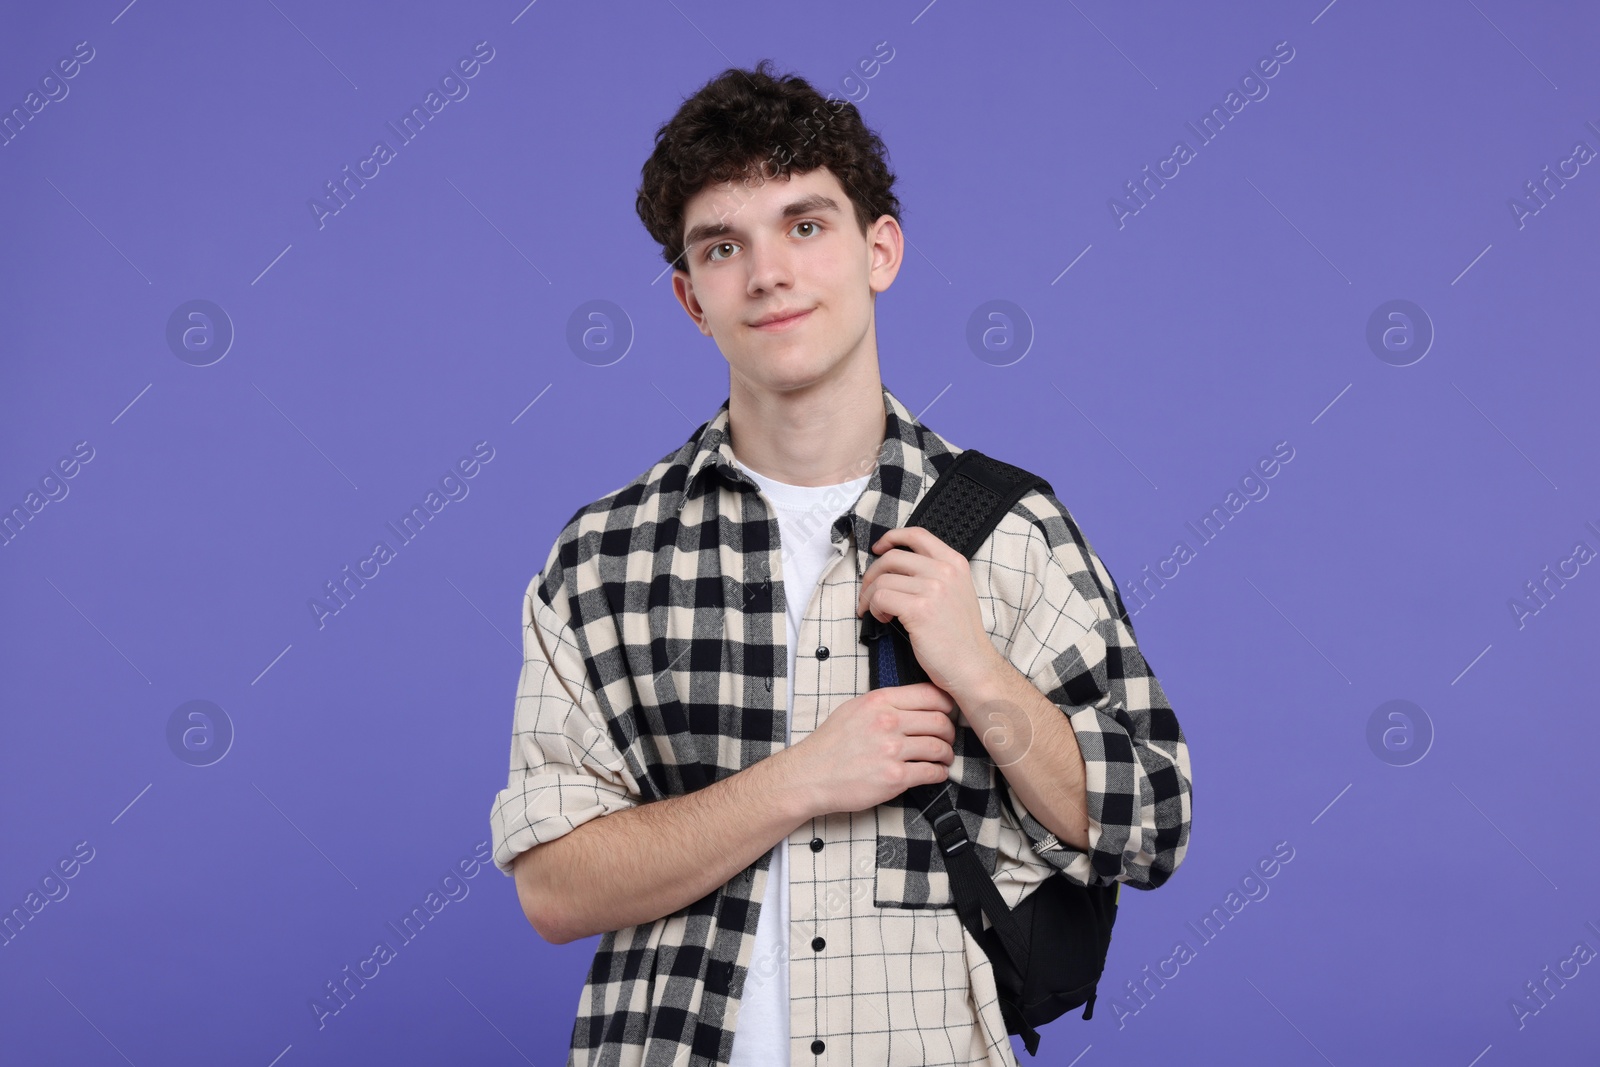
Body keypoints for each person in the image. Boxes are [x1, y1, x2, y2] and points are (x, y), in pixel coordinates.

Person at [488, 59, 1192, 1067]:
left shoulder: (1010, 529)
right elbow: (554, 888)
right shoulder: (604, 556)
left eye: (804, 225)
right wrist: (801, 779)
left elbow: (1151, 823)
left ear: (880, 250)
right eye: (723, 246)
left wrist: (980, 676)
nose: (767, 271)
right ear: (692, 298)